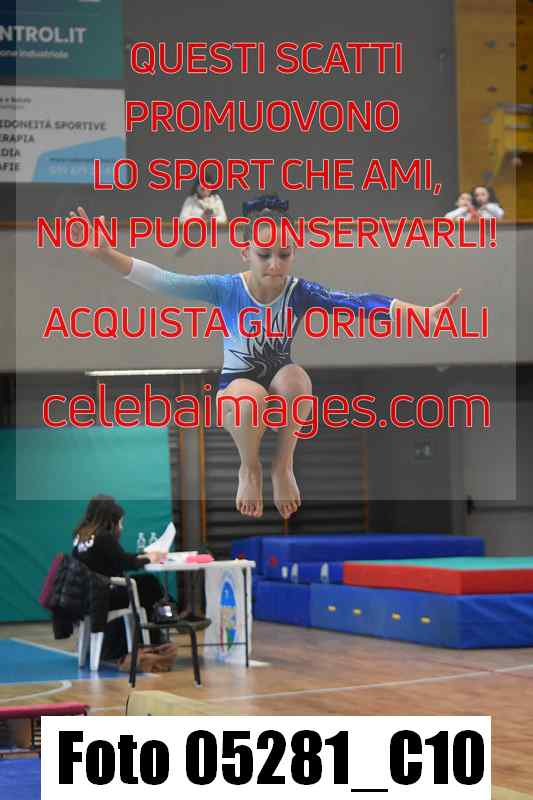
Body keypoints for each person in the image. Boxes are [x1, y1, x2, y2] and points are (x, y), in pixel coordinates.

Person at [66, 197, 461, 520]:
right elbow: (164, 280)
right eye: (264, 255)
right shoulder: (225, 289)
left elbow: (360, 303)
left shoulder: (299, 292)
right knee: (249, 399)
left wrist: (422, 313)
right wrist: (106, 254)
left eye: (283, 255)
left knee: (297, 380)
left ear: (294, 254)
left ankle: (282, 465)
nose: (274, 264)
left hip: (278, 376)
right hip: (236, 388)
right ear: (245, 254)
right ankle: (249, 466)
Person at [72, 494, 167, 659]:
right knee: (150, 585)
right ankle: (154, 636)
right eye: (120, 523)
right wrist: (149, 558)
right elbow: (124, 562)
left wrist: (143, 556)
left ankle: (147, 637)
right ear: (109, 519)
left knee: (145, 584)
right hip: (104, 596)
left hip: (86, 597)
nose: (121, 528)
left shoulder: (81, 537)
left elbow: (115, 559)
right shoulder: (103, 536)